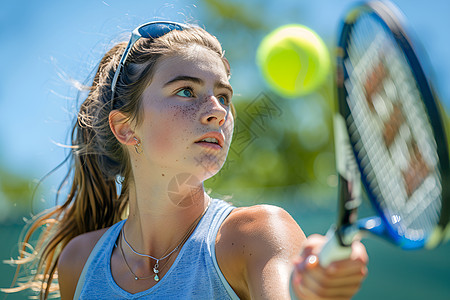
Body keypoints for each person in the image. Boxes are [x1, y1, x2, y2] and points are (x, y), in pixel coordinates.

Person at [5, 21, 367, 299]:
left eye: (224, 97)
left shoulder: (259, 235)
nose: (217, 112)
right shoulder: (79, 262)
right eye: (186, 91)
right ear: (127, 129)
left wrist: (313, 292)